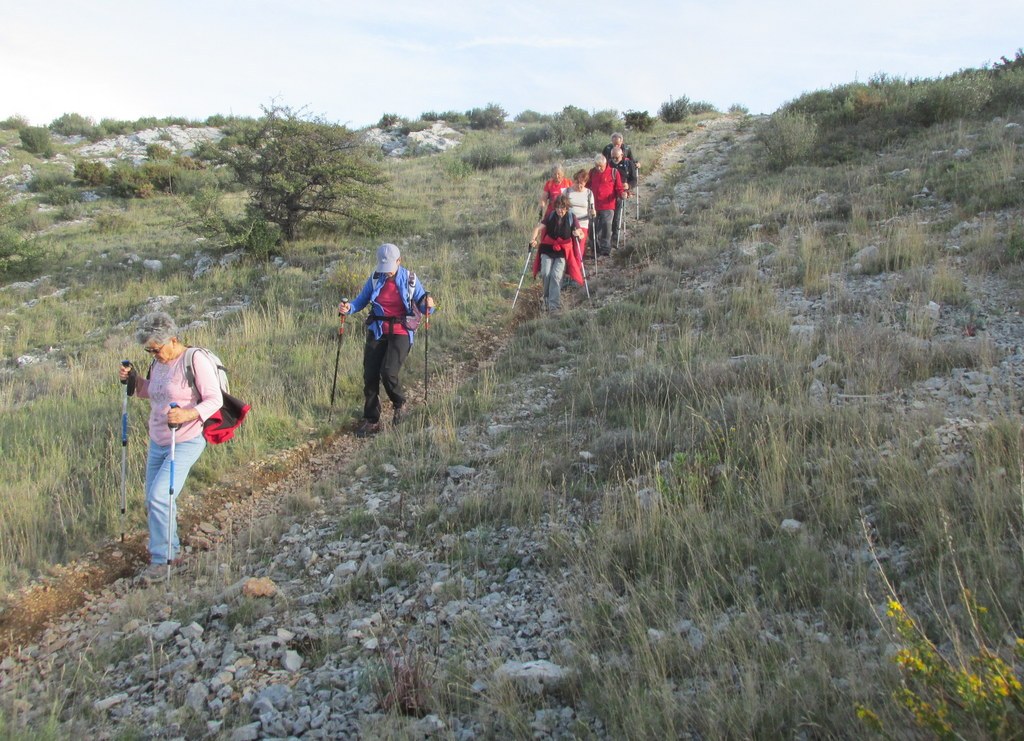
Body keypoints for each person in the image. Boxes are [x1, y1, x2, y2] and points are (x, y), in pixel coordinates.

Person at [118, 311, 222, 581]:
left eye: (156, 349)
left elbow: (215, 400)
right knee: (155, 499)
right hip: (159, 440)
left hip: (186, 438)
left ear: (173, 340)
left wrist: (188, 414)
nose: (154, 354)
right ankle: (171, 550)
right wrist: (134, 380)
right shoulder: (159, 364)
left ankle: (161, 560)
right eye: (149, 350)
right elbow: (151, 392)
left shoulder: (194, 359)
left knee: (160, 496)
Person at [339, 243, 435, 437]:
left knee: (388, 371)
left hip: (401, 330)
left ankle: (400, 403)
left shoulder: (410, 279)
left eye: (390, 267)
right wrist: (348, 308)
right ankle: (372, 419)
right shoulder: (375, 278)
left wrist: (429, 305)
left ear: (399, 261)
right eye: (384, 268)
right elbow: (360, 301)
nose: (387, 272)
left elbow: (425, 306)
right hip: (378, 329)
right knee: (370, 374)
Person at [528, 194, 585, 312]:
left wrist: (578, 234)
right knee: (545, 273)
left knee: (556, 276)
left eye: (562, 207)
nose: (560, 210)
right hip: (547, 248)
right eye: (558, 207)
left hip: (562, 251)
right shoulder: (551, 215)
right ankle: (546, 299)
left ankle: (554, 306)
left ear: (567, 208)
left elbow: (580, 232)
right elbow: (537, 228)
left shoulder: (571, 217)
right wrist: (533, 239)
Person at [586, 154, 626, 257]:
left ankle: (605, 248)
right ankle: (595, 248)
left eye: (600, 166)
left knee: (607, 226)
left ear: (605, 164)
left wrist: (622, 194)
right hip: (593, 205)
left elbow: (618, 188)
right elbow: (587, 186)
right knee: (591, 227)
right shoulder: (592, 172)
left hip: (608, 205)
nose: (598, 168)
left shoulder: (613, 172)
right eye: (596, 166)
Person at [561, 169, 595, 260]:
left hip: (582, 223)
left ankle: (577, 270)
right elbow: (560, 206)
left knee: (579, 246)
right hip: (568, 222)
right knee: (569, 246)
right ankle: (569, 267)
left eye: (582, 183)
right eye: (578, 182)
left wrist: (593, 212)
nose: (580, 185)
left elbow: (592, 209)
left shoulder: (589, 193)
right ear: (574, 180)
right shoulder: (567, 192)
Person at [609, 147, 637, 247]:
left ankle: (614, 238)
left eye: (616, 158)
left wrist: (628, 186)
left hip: (621, 192)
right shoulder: (608, 164)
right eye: (612, 157)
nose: (614, 160)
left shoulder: (628, 164)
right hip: (609, 192)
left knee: (616, 216)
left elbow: (634, 180)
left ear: (621, 155)